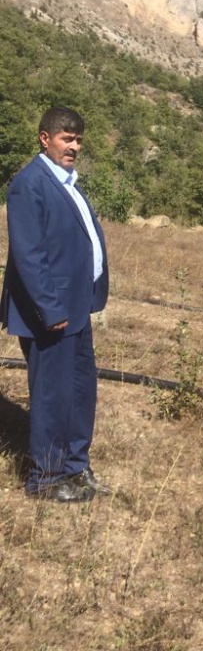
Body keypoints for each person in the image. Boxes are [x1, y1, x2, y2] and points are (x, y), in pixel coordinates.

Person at [1, 106, 110, 502]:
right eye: (66, 138)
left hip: (76, 309)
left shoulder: (68, 184)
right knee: (51, 394)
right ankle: (45, 477)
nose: (74, 146)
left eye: (78, 139)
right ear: (44, 138)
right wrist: (51, 309)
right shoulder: (29, 184)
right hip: (51, 314)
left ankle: (76, 467)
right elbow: (29, 255)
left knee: (81, 391)